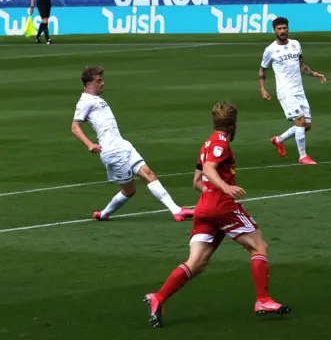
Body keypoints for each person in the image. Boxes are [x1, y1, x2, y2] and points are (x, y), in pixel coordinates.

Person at [143, 101, 291, 328]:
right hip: (221, 206)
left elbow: (196, 181)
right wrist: (224, 188)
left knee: (197, 262)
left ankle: (158, 298)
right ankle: (263, 300)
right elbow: (211, 168)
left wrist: (212, 191)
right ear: (233, 124)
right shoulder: (220, 142)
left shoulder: (205, 144)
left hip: (204, 208)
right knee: (259, 246)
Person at [71, 66, 194, 222]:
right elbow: (75, 127)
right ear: (89, 84)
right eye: (98, 81)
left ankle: (176, 211)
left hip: (123, 145)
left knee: (149, 174)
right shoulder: (84, 102)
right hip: (113, 151)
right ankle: (104, 214)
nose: (102, 83)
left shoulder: (96, 99)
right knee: (129, 191)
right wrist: (89, 144)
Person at [259, 17, 327, 165]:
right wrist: (262, 88)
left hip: (299, 90)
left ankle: (279, 140)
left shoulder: (296, 44)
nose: (282, 31)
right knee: (301, 121)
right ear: (274, 30)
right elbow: (263, 70)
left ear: (288, 29)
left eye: (284, 28)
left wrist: (314, 73)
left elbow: (301, 65)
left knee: (307, 125)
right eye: (279, 29)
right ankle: (303, 157)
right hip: (285, 91)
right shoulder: (270, 50)